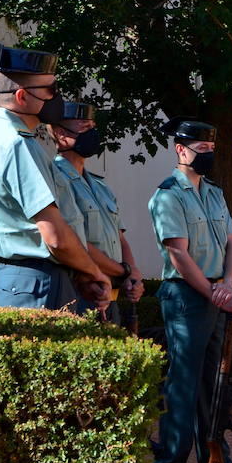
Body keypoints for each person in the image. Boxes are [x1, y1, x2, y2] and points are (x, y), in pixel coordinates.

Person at [148, 120, 232, 463]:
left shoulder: (214, 192)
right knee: (183, 383)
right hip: (186, 296)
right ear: (181, 150)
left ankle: (217, 462)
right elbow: (177, 253)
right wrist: (215, 293)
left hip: (215, 294)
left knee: (213, 384)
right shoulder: (167, 195)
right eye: (201, 150)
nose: (208, 155)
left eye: (212, 150)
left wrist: (227, 284)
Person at [0, 44, 109, 310]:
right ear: (22, 97)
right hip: (37, 280)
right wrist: (95, 272)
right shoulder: (17, 144)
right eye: (50, 90)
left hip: (28, 279)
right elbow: (55, 236)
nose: (57, 98)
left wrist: (79, 272)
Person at [51, 102, 144, 322]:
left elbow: (120, 238)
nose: (92, 133)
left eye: (93, 127)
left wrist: (133, 273)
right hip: (80, 293)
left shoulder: (100, 186)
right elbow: (74, 241)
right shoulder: (56, 179)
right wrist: (123, 271)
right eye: (84, 128)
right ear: (61, 134)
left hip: (110, 296)